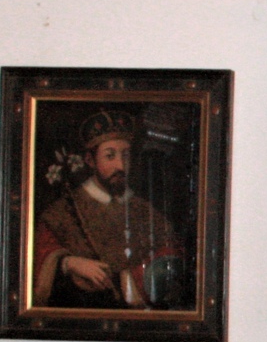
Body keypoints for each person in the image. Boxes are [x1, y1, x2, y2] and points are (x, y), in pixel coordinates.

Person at [33, 108, 182, 308]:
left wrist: (129, 279)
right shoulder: (62, 212)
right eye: (110, 156)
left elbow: (172, 257)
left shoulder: (146, 212)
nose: (120, 165)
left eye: (126, 156)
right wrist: (69, 263)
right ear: (90, 160)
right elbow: (38, 258)